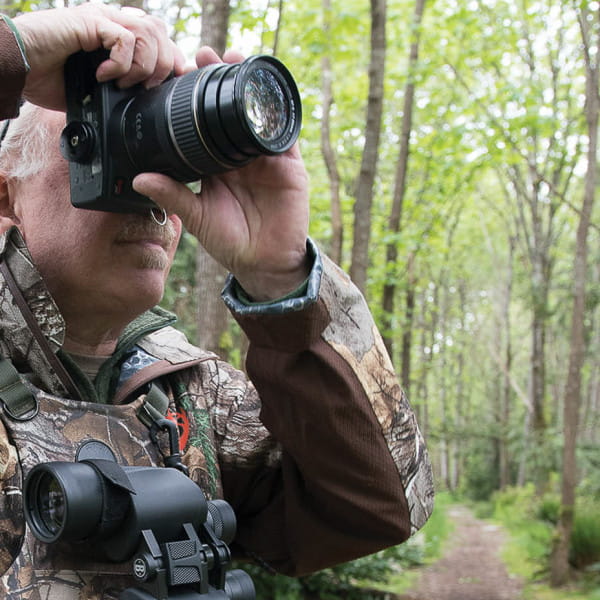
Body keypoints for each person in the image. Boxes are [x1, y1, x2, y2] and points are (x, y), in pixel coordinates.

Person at [0, 4, 434, 599]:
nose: (154, 195)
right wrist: (15, 50)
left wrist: (281, 284)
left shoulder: (190, 395)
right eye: (108, 147)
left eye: (170, 163)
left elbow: (379, 510)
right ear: (6, 192)